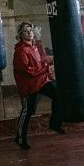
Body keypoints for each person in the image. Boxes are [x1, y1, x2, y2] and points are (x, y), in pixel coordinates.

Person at [13, 21, 65, 149]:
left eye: (31, 30)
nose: (30, 32)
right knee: (27, 111)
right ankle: (20, 138)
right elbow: (28, 71)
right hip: (28, 85)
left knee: (58, 93)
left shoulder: (34, 47)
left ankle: (55, 123)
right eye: (26, 30)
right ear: (21, 34)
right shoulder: (21, 51)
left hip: (40, 81)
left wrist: (53, 61)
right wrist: (46, 68)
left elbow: (43, 59)